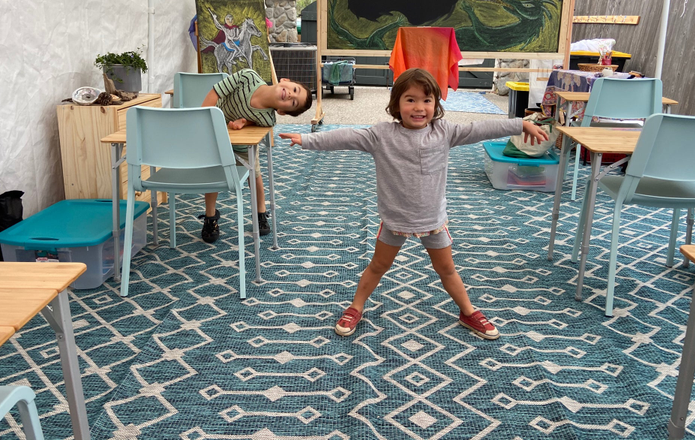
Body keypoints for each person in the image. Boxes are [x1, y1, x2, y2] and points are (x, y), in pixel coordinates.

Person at [279, 69, 548, 339]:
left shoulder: (445, 131)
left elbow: (479, 129)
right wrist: (307, 139)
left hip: (433, 222)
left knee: (447, 270)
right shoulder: (381, 135)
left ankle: (467, 311)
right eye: (410, 100)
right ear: (396, 104)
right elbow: (345, 136)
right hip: (395, 220)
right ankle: (355, 306)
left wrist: (519, 124)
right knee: (377, 266)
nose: (419, 107)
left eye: (427, 100)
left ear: (436, 105)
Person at [200, 69, 313, 243]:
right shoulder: (248, 76)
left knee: (254, 173)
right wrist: (202, 120)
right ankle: (210, 216)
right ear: (285, 80)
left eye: (293, 103)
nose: (290, 95)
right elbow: (216, 92)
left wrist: (244, 121)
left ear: (282, 112)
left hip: (242, 145)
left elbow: (257, 118)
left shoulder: (269, 119)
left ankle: (260, 212)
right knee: (214, 171)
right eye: (294, 90)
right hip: (215, 130)